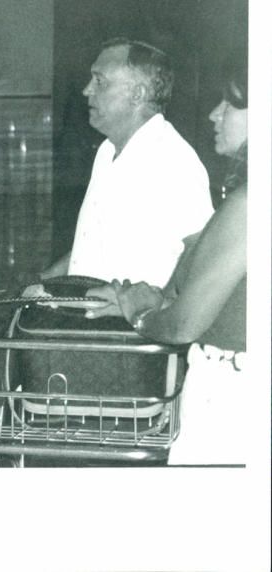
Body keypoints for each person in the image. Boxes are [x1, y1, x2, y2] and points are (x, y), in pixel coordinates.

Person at [85, 54, 248, 465]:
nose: (215, 113)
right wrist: (159, 296)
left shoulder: (250, 204)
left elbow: (184, 325)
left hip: (230, 393)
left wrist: (140, 313)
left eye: (230, 104)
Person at [40, 38, 213, 287]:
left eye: (100, 81)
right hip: (88, 316)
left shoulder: (172, 160)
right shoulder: (107, 149)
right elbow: (92, 244)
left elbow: (201, 252)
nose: (87, 90)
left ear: (137, 94)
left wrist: (152, 308)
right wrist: (44, 279)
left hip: (131, 324)